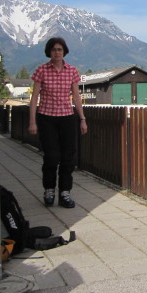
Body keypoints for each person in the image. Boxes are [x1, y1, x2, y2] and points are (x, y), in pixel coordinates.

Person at [28, 37, 88, 208]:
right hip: (47, 118)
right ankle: (49, 190)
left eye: (60, 49)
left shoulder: (72, 71)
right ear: (49, 52)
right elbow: (34, 99)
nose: (57, 52)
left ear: (64, 51)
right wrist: (32, 122)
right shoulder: (41, 70)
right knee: (51, 157)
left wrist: (82, 119)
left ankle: (65, 192)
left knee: (68, 158)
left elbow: (76, 96)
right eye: (54, 49)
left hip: (67, 118)